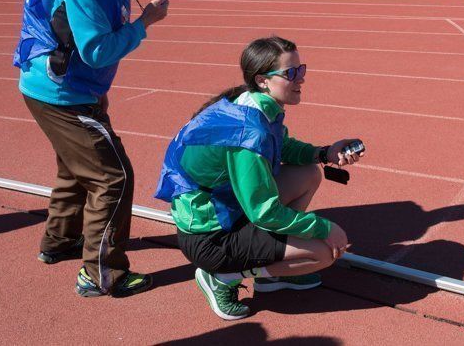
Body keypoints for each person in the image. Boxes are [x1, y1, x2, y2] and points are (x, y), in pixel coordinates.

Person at [13, 0, 169, 297]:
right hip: (61, 92)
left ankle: (60, 241)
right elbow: (97, 49)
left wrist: (97, 91)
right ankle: (103, 273)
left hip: (65, 87)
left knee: (75, 168)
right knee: (112, 176)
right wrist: (145, 22)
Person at [155, 36, 363, 320]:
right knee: (323, 253)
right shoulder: (249, 131)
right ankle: (222, 277)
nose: (300, 78)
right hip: (211, 236)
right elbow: (263, 212)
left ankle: (269, 275)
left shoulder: (253, 102)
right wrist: (324, 228)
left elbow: (283, 145)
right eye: (291, 73)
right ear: (263, 79)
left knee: (307, 174)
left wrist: (324, 152)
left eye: (301, 70)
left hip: (228, 206)